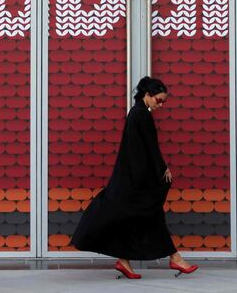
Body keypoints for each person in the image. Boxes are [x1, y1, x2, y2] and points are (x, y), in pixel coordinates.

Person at [70, 76, 198, 279]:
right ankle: (175, 259)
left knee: (137, 219)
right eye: (159, 100)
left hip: (133, 180)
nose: (161, 105)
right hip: (137, 182)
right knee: (150, 216)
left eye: (164, 101)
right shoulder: (141, 115)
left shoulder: (137, 113)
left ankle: (125, 261)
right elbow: (149, 147)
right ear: (148, 95)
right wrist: (162, 169)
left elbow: (143, 148)